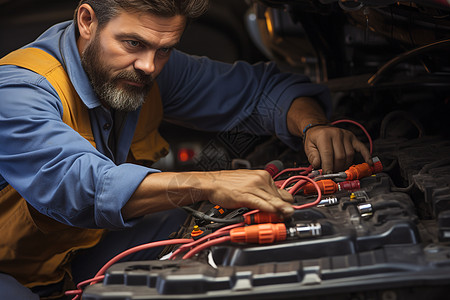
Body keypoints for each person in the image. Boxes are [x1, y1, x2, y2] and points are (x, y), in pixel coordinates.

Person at [0, 0, 371, 298]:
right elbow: (80, 185)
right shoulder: (18, 90)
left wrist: (313, 126)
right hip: (10, 273)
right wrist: (210, 182)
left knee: (208, 227)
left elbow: (258, 91)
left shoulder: (147, 66)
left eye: (164, 50)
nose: (148, 66)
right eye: (133, 43)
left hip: (70, 257)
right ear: (86, 21)